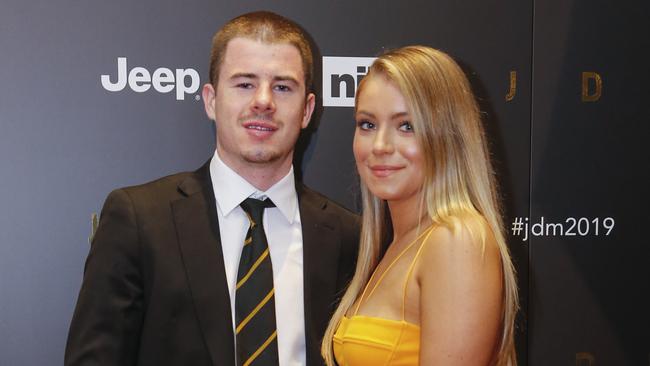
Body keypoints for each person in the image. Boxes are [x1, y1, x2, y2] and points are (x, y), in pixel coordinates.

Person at [65, 11, 359, 366]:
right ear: (210, 100)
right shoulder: (139, 220)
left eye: (282, 87)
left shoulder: (348, 236)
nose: (263, 101)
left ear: (308, 110)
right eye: (244, 83)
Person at [321, 46, 518, 365]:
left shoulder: (457, 240)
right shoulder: (397, 244)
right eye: (367, 124)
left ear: (448, 137)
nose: (381, 146)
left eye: (406, 126)